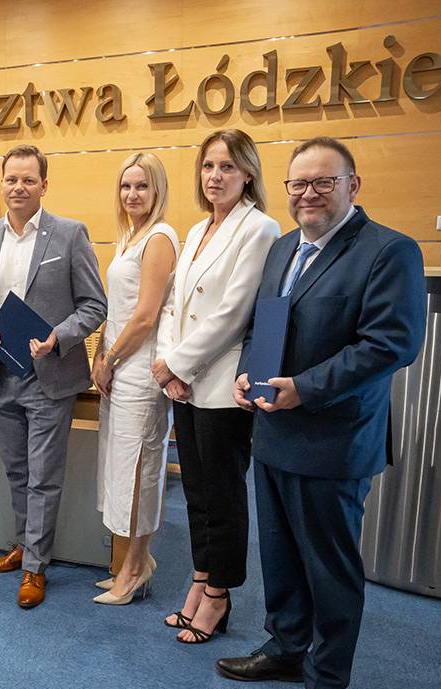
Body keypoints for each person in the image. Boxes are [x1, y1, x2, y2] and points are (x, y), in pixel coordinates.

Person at [220, 137, 427, 689]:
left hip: (334, 440)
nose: (307, 194)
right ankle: (286, 648)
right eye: (298, 183)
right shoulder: (283, 248)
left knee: (329, 568)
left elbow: (391, 344)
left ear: (352, 186)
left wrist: (305, 389)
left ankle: (326, 681)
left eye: (323, 182)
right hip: (273, 431)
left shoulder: (389, 251)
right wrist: (247, 374)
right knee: (280, 555)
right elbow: (262, 326)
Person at [0, 144, 107, 608]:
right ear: (1, 183)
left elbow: (94, 304)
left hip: (49, 376)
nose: (18, 187)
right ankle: (24, 546)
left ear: (44, 185)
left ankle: (35, 567)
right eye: (11, 179)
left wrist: (56, 336)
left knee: (43, 477)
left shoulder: (69, 234)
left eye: (29, 180)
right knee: (17, 471)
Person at [153, 129, 280, 643]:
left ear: (248, 173)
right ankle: (200, 577)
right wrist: (169, 366)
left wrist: (178, 366)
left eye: (227, 166)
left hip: (223, 384)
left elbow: (233, 313)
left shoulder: (260, 228)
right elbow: (173, 305)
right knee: (197, 494)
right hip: (184, 382)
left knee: (223, 496)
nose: (215, 176)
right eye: (208, 166)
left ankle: (220, 593)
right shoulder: (198, 227)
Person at [90, 153, 178, 604]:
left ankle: (135, 568)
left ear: (157, 190)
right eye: (126, 186)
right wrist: (99, 353)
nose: (132, 194)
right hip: (117, 369)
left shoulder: (160, 237)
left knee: (140, 472)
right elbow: (117, 307)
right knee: (120, 471)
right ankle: (133, 562)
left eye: (142, 186)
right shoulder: (129, 236)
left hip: (140, 375)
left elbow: (145, 316)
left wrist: (111, 358)